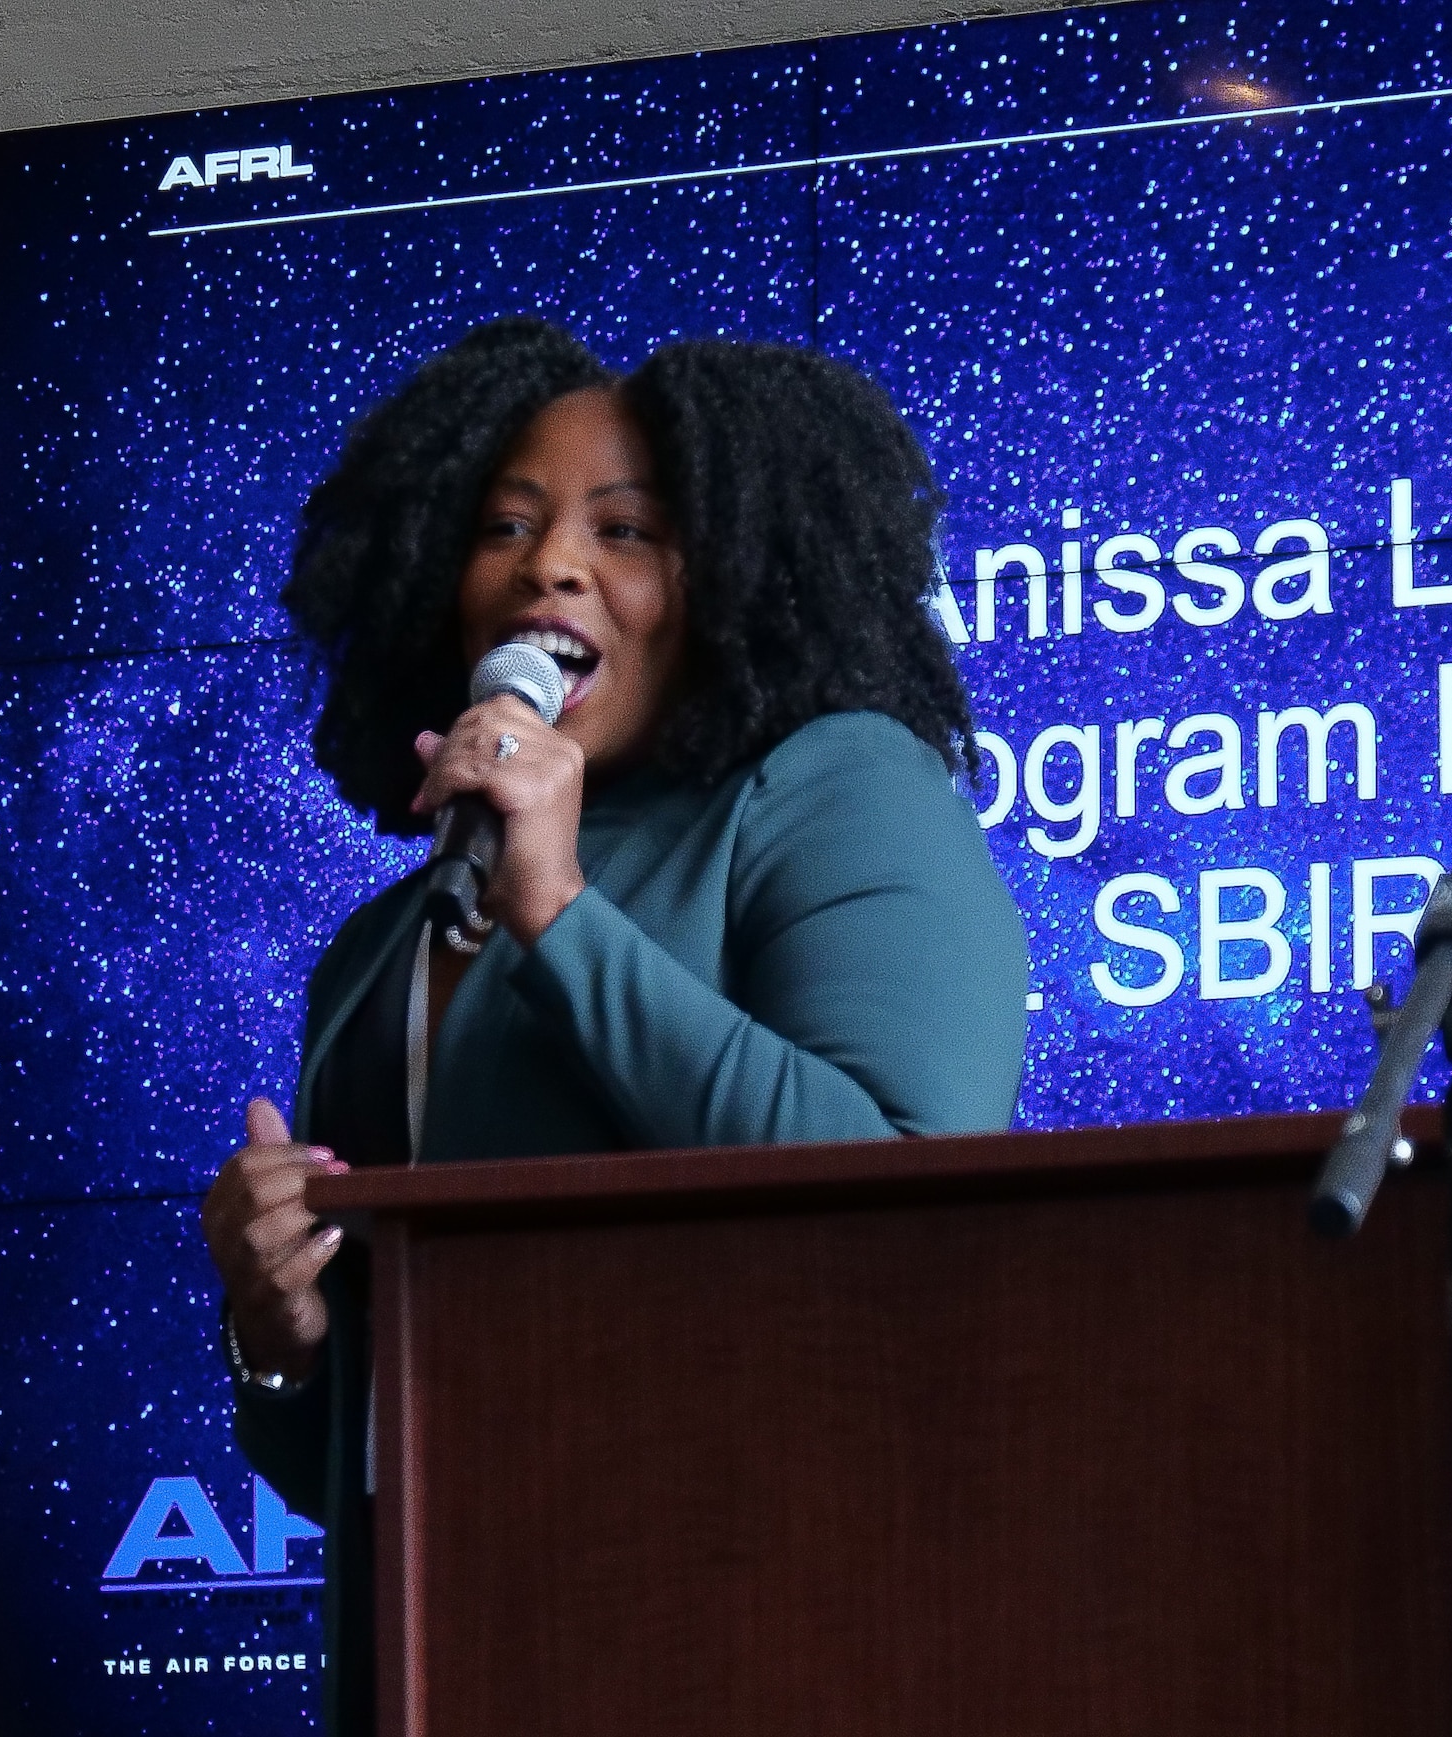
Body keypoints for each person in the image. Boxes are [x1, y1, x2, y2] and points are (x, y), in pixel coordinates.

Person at [200, 316, 1029, 1734]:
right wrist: (278, 1329)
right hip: (439, 1648)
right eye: (505, 525)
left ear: (737, 578)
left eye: (626, 529)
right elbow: (339, 1454)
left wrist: (564, 911)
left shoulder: (835, 791)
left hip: (750, 1637)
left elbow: (906, 1197)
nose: (550, 566)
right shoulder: (374, 951)